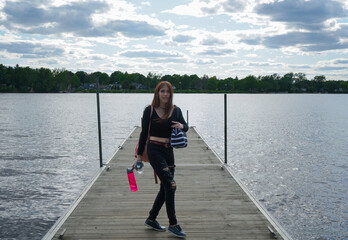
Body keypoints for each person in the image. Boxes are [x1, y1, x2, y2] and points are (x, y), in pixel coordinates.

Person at [135, 81, 188, 238]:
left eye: (168, 92)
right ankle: (173, 224)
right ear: (157, 93)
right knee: (171, 185)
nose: (165, 94)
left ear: (171, 94)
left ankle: (151, 219)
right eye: (162, 91)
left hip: (168, 151)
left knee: (165, 187)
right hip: (154, 150)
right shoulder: (149, 110)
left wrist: (181, 126)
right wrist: (138, 157)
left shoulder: (175, 110)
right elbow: (144, 134)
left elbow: (186, 126)